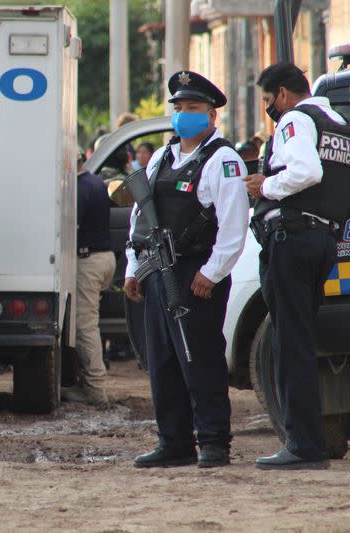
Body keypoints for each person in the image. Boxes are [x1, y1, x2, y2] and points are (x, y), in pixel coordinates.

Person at [124, 71, 249, 469]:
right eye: (178, 108)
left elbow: (233, 227)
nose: (183, 116)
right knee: (163, 362)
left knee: (201, 360)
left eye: (192, 109)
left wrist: (212, 273)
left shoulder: (222, 159)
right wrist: (133, 266)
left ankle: (214, 442)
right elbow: (140, 217)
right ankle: (174, 442)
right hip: (159, 271)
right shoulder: (163, 156)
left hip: (197, 277)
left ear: (211, 116)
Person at [244, 62, 349, 470]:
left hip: (292, 238)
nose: (270, 109)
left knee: (291, 346)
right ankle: (309, 442)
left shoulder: (296, 119)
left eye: (269, 100)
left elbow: (306, 171)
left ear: (284, 94)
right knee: (300, 342)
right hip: (324, 240)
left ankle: (303, 445)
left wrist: (264, 186)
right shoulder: (338, 123)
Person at [61, 148, 116, 406]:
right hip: (105, 259)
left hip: (89, 261)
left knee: (85, 326)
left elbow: (72, 229)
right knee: (90, 322)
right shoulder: (96, 182)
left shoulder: (79, 189)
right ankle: (89, 381)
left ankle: (95, 389)